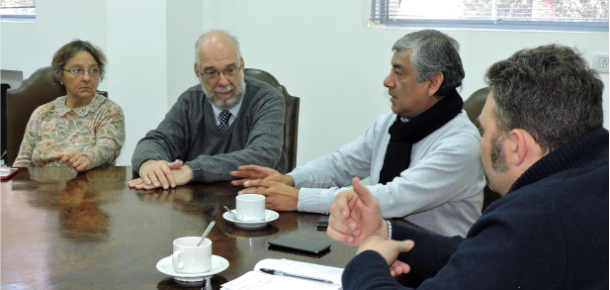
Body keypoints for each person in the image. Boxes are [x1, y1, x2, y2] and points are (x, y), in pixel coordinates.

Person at [329, 44, 610, 289]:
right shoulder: (588, 185)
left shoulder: (535, 217)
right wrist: (385, 233)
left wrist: (366, 264)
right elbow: (483, 255)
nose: (480, 144)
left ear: (517, 146)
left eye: (485, 132)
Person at [232, 30, 484, 237]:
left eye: (399, 72)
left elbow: (391, 198)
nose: (387, 81)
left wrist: (299, 198)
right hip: (384, 245)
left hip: (437, 266)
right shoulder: (391, 122)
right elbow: (341, 165)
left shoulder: (460, 144)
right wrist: (290, 180)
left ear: (433, 82)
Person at [128, 30, 286, 190]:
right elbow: (156, 141)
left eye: (230, 70)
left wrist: (192, 170)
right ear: (198, 72)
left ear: (242, 65)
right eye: (212, 73)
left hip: (257, 203)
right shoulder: (190, 101)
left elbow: (262, 156)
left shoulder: (267, 99)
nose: (223, 82)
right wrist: (150, 163)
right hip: (197, 207)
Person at [13, 40, 125, 171]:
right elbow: (22, 164)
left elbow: (109, 147)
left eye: (93, 70)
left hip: (90, 188)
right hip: (42, 189)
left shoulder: (109, 111)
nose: (87, 78)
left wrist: (87, 158)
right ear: (60, 76)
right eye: (77, 70)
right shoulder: (42, 113)